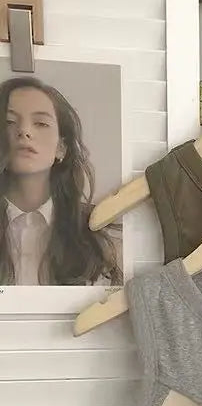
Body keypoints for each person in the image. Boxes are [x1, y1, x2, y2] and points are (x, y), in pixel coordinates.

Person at [0, 76, 121, 285]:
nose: (24, 131)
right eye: (9, 122)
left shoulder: (100, 237)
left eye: (40, 123)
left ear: (61, 148)